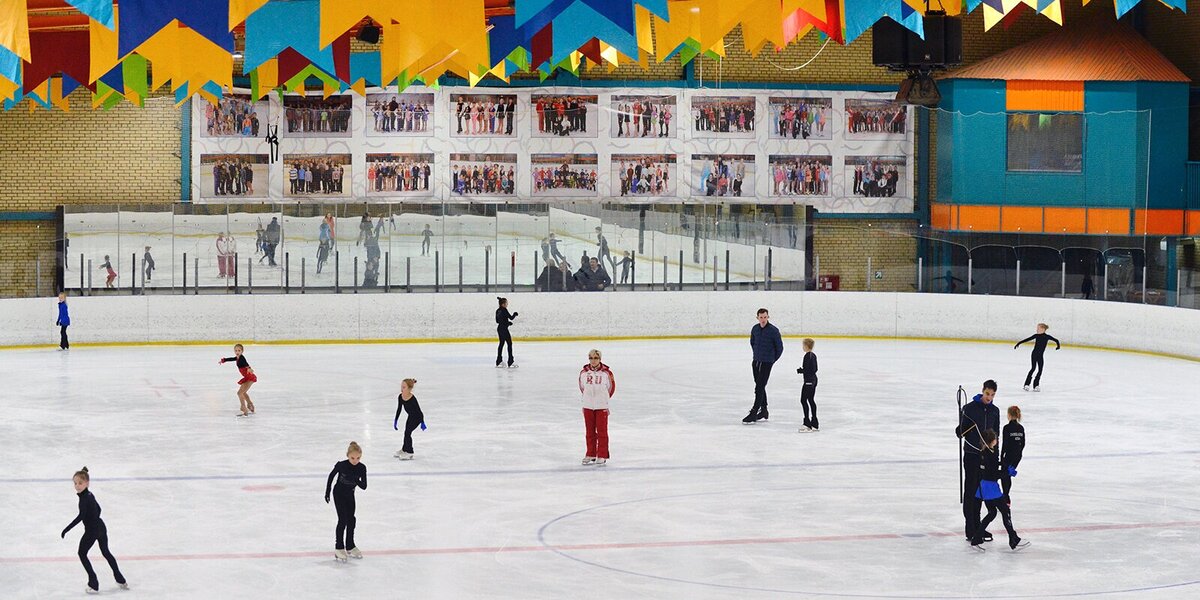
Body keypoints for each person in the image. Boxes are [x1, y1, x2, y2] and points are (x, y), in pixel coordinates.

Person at [61, 467, 128, 594]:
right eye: (75, 483)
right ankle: (121, 580)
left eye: (80, 483)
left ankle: (93, 583)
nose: (77, 486)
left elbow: (81, 516)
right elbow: (99, 509)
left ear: (87, 483)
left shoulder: (84, 499)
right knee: (106, 552)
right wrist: (94, 518)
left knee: (82, 553)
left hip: (92, 531)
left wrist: (66, 529)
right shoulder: (90, 495)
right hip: (101, 527)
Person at [957, 379, 1001, 543]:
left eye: (992, 395)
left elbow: (996, 437)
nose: (989, 397)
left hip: (986, 458)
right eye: (987, 393)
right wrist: (960, 428)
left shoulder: (995, 411)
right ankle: (970, 530)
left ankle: (978, 528)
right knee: (970, 493)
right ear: (983, 391)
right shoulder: (969, 409)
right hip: (971, 455)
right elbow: (960, 432)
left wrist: (995, 459)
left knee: (980, 495)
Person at [972, 430, 1027, 551]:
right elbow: (993, 474)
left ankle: (976, 538)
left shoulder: (986, 452)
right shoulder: (989, 455)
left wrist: (1003, 464)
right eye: (996, 439)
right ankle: (1013, 538)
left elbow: (992, 467)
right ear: (992, 441)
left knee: (992, 513)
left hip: (984, 488)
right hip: (991, 489)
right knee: (1005, 511)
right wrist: (1006, 472)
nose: (997, 440)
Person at [325, 441, 368, 561]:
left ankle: (350, 545)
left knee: (352, 519)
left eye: (358, 458)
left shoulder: (362, 468)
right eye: (352, 458)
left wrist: (356, 480)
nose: (355, 460)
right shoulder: (342, 465)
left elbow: (364, 486)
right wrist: (327, 491)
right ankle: (339, 547)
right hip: (338, 494)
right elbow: (331, 475)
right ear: (347, 456)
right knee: (342, 519)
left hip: (350, 494)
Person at [745, 308, 783, 423]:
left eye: (765, 317)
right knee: (759, 385)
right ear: (757, 318)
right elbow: (752, 342)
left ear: (768, 317)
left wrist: (771, 360)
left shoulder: (774, 331)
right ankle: (764, 410)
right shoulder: (755, 329)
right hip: (756, 361)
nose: (763, 319)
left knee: (759, 387)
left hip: (767, 362)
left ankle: (754, 411)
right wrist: (756, 355)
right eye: (761, 317)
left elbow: (779, 348)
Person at [579, 349, 615, 465]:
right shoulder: (584, 373)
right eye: (591, 358)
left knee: (602, 431)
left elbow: (611, 388)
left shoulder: (606, 373)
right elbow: (582, 387)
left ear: (600, 359)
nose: (593, 361)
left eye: (595, 358)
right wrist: (587, 398)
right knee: (589, 431)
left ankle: (602, 455)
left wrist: (603, 399)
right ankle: (591, 453)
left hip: (601, 406)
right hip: (588, 405)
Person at [1015, 323, 1060, 392]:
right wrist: (1019, 343)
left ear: (1043, 329)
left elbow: (1056, 340)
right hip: (1034, 354)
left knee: (1040, 370)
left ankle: (1036, 385)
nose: (1037, 329)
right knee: (1033, 368)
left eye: (1038, 328)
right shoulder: (1036, 336)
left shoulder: (1047, 337)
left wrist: (1058, 346)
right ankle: (1026, 384)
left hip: (1040, 356)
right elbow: (1027, 339)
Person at [219, 343, 257, 417]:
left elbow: (245, 363)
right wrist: (224, 360)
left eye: (239, 350)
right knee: (243, 392)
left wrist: (249, 368)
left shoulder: (242, 358)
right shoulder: (238, 357)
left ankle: (244, 408)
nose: (237, 352)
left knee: (240, 393)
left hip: (249, 377)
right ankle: (250, 405)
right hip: (247, 377)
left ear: (242, 351)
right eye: (236, 350)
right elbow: (232, 359)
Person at [393, 379, 425, 460]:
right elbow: (399, 409)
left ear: (409, 389)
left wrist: (422, 422)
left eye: (404, 387)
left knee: (408, 433)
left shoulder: (413, 399)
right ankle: (404, 449)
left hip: (417, 418)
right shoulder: (400, 397)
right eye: (401, 387)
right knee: (406, 433)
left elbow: (419, 411)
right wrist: (396, 420)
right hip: (410, 416)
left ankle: (410, 452)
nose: (401, 389)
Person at [1001, 405, 1025, 502]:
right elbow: (1023, 443)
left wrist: (1001, 455)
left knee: (1004, 475)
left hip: (1009, 455)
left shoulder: (1007, 428)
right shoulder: (1021, 428)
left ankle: (1006, 497)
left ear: (1009, 415)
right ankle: (1006, 496)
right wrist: (1018, 453)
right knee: (1008, 475)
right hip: (1017, 456)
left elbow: (1005, 443)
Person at [795, 338, 818, 432]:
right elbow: (815, 369)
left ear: (806, 346)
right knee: (811, 400)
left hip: (809, 381)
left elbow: (810, 369)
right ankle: (815, 423)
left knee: (803, 400)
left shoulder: (807, 356)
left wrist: (801, 371)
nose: (802, 347)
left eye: (803, 345)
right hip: (814, 380)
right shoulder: (813, 355)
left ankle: (807, 424)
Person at [495, 297, 518, 367]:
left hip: (500, 328)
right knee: (509, 344)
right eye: (506, 303)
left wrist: (507, 323)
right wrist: (515, 314)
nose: (507, 304)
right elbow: (511, 317)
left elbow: (498, 321)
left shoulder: (498, 310)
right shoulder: (504, 310)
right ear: (503, 304)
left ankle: (499, 361)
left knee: (501, 344)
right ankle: (510, 361)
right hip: (504, 329)